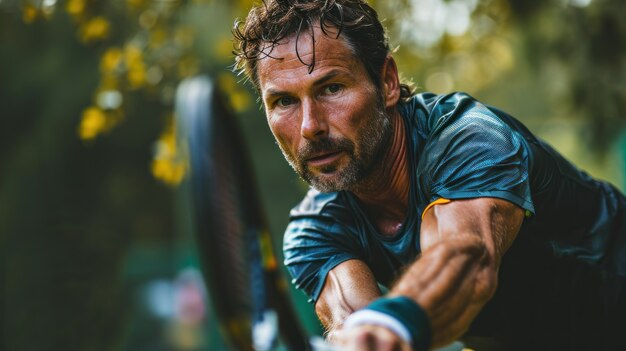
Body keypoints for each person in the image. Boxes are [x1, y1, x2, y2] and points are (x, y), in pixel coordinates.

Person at [232, 0, 626, 350]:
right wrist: (367, 333)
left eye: (332, 88)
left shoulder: (471, 139)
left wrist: (395, 320)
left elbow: (467, 257)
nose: (309, 127)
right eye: (284, 101)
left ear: (387, 81)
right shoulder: (314, 231)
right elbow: (355, 321)